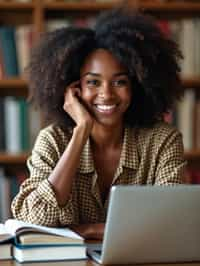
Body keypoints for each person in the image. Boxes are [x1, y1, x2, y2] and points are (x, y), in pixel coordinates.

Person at [11, 8, 186, 240]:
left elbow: (172, 221)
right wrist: (81, 130)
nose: (106, 94)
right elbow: (32, 218)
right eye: (93, 82)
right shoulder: (52, 140)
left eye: (120, 82)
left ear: (137, 86)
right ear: (74, 88)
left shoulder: (162, 141)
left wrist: (90, 230)